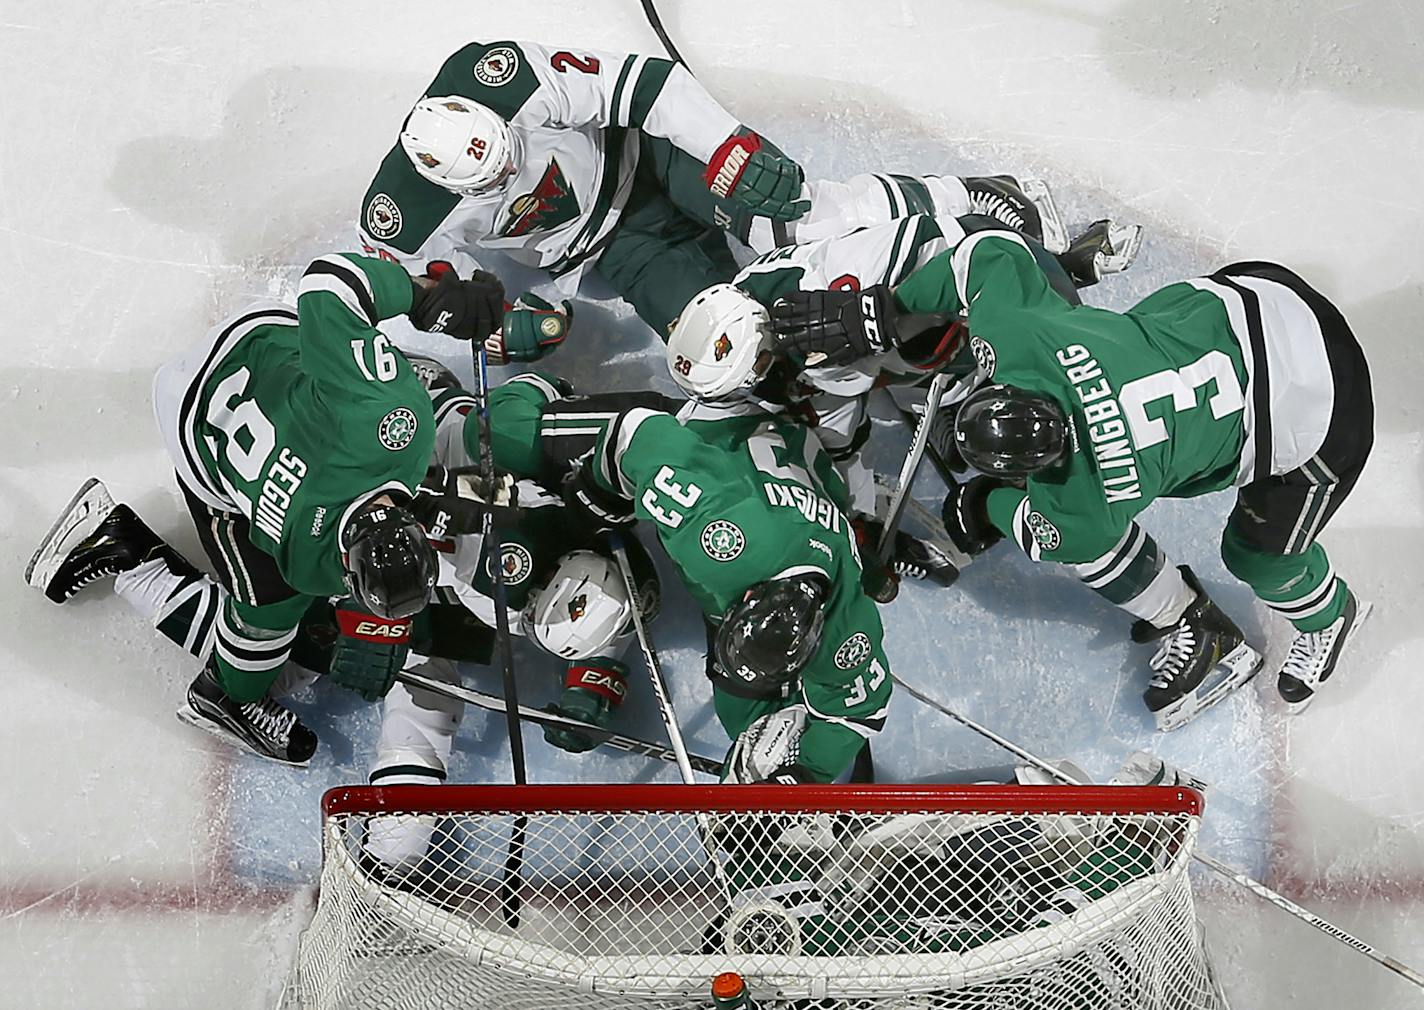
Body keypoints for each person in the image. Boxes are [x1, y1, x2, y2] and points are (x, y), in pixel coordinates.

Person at [769, 227, 1374, 727]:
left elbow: (1047, 535)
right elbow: (990, 253)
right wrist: (879, 315)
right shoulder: (1031, 340)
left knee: (1257, 557)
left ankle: (1303, 615)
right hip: (1268, 307)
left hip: (1323, 408)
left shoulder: (1083, 498)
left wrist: (986, 504)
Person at [24, 253, 505, 763]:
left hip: (248, 340)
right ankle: (129, 558)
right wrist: (339, 637)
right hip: (194, 438)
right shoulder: (305, 567)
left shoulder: (395, 420)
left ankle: (370, 358)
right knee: (259, 643)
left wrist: (423, 296)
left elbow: (329, 280)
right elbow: (278, 612)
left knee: (357, 372)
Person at [356, 39, 1073, 346]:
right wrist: (450, 304)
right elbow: (396, 288)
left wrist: (729, 143)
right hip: (611, 251)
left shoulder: (495, 75)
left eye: (508, 146)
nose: (509, 166)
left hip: (651, 156)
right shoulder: (399, 213)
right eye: (491, 177)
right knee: (738, 329)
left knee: (786, 216)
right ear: (441, 180)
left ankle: (973, 196)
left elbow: (640, 83)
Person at [662, 211, 1141, 517]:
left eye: (749, 381)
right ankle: (950, 391)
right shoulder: (768, 360)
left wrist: (884, 313)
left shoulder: (823, 282)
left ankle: (1068, 264)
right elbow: (838, 433)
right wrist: (862, 515)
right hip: (915, 352)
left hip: (991, 278)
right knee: (943, 418)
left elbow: (961, 243)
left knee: (1046, 393)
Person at [561, 403, 893, 784]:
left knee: (744, 714)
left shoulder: (843, 623)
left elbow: (860, 710)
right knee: (740, 707)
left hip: (807, 508)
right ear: (749, 597)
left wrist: (801, 778)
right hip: (728, 420)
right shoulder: (716, 538)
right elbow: (635, 428)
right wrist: (597, 492)